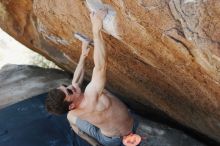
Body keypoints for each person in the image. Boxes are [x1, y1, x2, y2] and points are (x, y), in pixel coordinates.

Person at [45, 9, 137, 146]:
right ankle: (94, 143)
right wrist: (96, 29)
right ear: (71, 105)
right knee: (73, 115)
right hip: (117, 136)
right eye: (69, 91)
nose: (70, 86)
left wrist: (83, 55)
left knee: (70, 118)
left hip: (111, 138)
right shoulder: (91, 94)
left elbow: (75, 83)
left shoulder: (73, 110)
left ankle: (92, 143)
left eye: (65, 86)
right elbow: (100, 66)